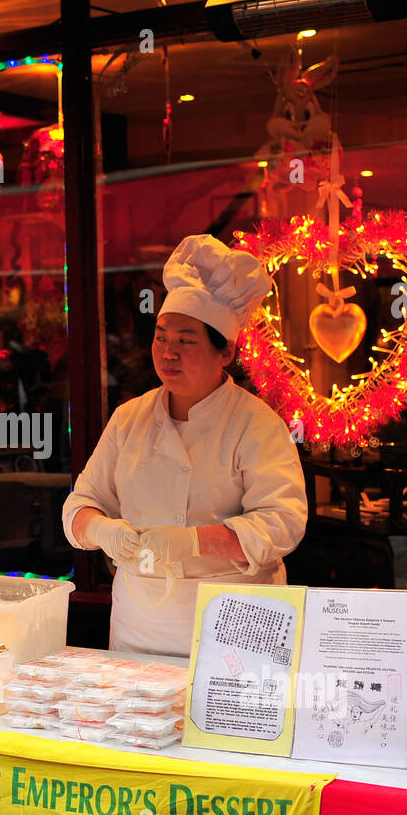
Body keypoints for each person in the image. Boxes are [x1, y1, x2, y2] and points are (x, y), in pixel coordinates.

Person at [62, 234, 308, 656]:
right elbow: (78, 506)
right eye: (161, 337)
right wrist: (102, 529)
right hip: (139, 628)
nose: (168, 353)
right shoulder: (129, 419)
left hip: (233, 628)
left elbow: (282, 522)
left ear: (226, 350)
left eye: (186, 341)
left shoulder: (257, 425)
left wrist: (194, 542)